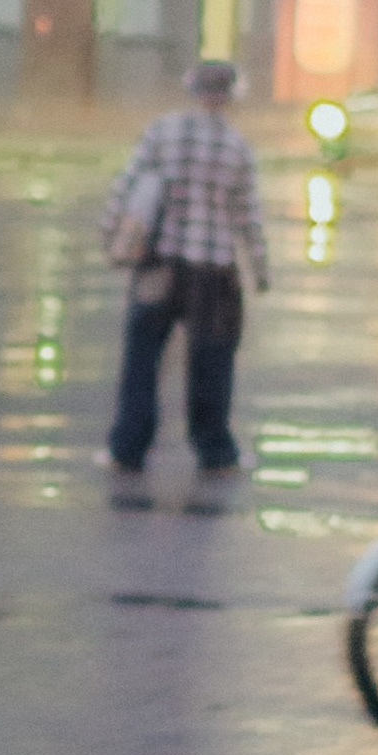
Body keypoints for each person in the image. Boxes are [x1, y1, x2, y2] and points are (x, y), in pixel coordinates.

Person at [102, 58, 270, 484]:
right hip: (213, 272)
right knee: (211, 363)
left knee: (142, 359)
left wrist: (111, 237)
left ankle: (128, 449)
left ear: (191, 89)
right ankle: (214, 452)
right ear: (231, 96)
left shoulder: (162, 132)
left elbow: (127, 188)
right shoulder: (236, 148)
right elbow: (247, 216)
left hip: (159, 264)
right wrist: (260, 268)